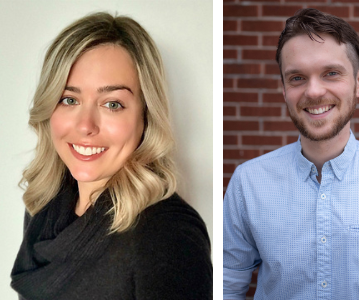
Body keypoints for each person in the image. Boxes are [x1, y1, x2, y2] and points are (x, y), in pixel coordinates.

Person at [222, 8, 359, 300]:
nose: (314, 91)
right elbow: (227, 287)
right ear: (284, 89)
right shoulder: (248, 182)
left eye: (331, 73)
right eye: (297, 78)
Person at [10, 12, 212, 299]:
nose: (85, 126)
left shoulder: (168, 234)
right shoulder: (44, 206)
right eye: (69, 99)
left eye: (112, 104)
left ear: (146, 114)